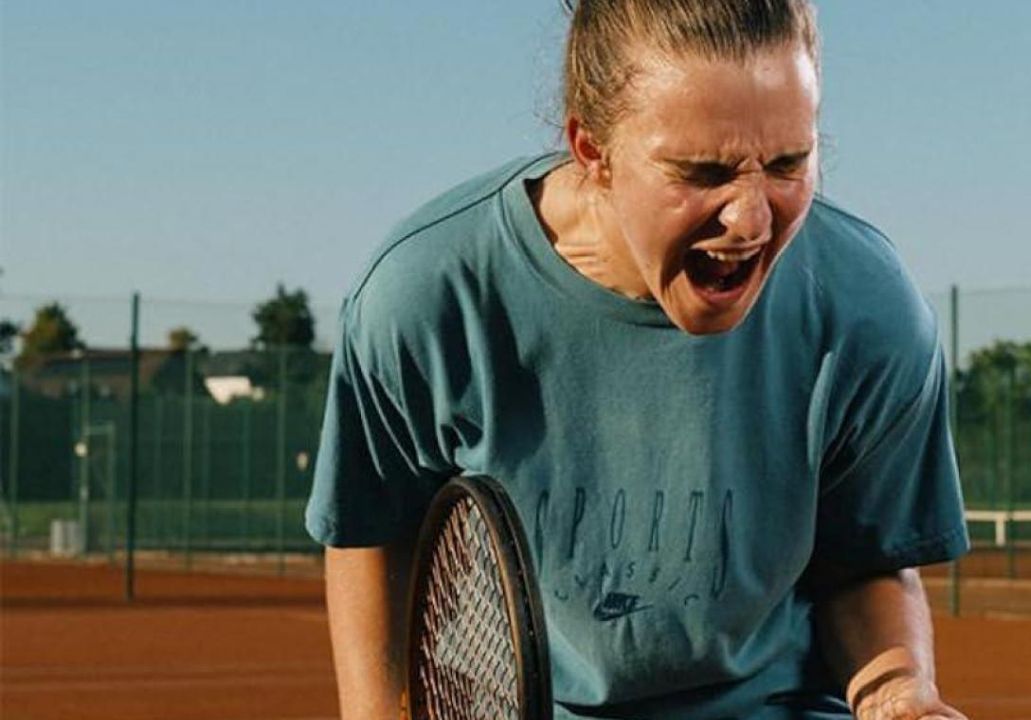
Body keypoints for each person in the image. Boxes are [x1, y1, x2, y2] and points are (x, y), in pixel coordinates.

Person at [306, 1, 970, 718]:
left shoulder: (867, 304)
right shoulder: (426, 295)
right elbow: (374, 542)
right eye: (702, 171)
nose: (751, 217)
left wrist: (900, 694)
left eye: (787, 163)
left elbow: (863, 566)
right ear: (592, 150)